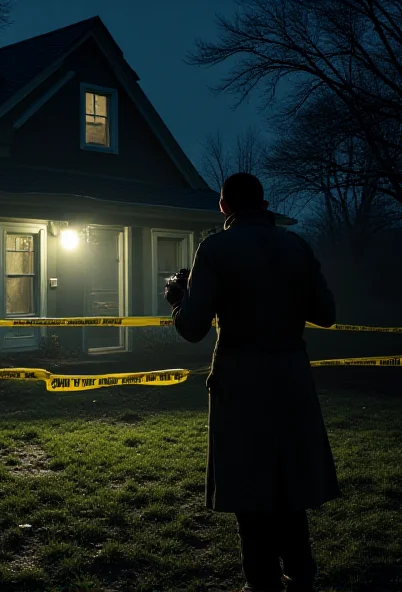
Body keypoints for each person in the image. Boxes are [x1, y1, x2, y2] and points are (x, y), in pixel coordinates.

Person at [165, 172, 341, 592]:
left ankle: (262, 583)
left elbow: (192, 328)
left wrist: (178, 298)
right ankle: (302, 576)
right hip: (292, 377)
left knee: (249, 489)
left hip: (242, 381)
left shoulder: (216, 249)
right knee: (289, 485)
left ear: (224, 206)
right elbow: (327, 312)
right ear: (262, 204)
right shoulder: (296, 246)